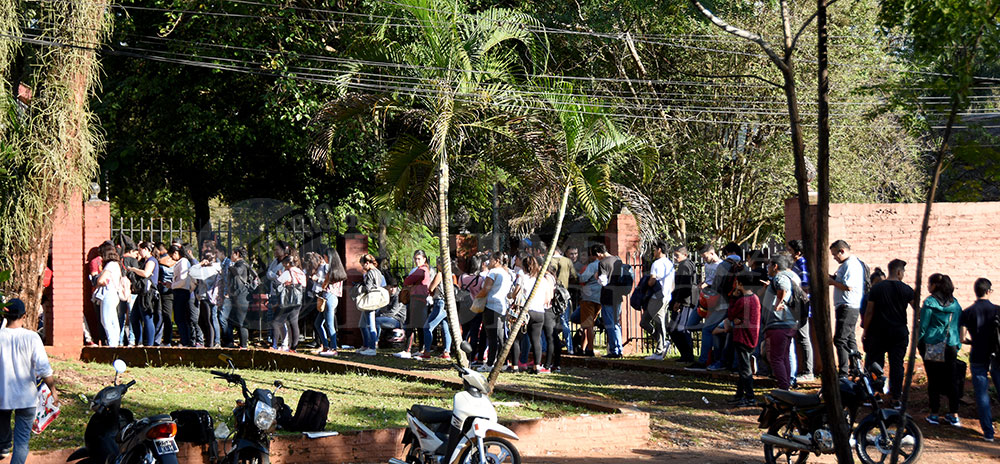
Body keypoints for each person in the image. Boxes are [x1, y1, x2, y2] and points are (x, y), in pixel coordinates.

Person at [0, 299, 58, 464]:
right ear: (24, 316)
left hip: (2, 397)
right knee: (22, 441)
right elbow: (43, 368)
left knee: (2, 443)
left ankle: (3, 449)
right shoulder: (32, 337)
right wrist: (53, 391)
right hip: (26, 399)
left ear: (5, 315)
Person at [862, 259, 914, 402]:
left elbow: (869, 312)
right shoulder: (907, 289)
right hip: (899, 333)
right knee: (897, 364)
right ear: (898, 272)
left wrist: (865, 331)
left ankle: (875, 394)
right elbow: (918, 310)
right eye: (902, 272)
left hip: (878, 333)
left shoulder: (876, 289)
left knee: (875, 363)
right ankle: (896, 397)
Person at [918, 273, 962, 427]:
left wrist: (919, 343)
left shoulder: (929, 303)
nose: (928, 286)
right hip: (950, 345)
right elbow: (957, 326)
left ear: (935, 285)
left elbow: (923, 326)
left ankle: (934, 414)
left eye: (929, 283)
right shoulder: (955, 304)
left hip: (932, 345)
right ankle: (954, 414)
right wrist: (958, 345)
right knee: (952, 380)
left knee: (934, 380)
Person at [959, 278, 1000, 441]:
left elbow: (962, 338)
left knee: (982, 394)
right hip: (998, 356)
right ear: (989, 291)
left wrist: (972, 341)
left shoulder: (967, 312)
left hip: (977, 355)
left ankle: (988, 433)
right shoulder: (998, 310)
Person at [760, 254, 800, 391]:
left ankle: (784, 388)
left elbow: (783, 288)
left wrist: (778, 303)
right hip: (788, 323)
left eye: (769, 264)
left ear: (775, 266)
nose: (767, 268)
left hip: (778, 323)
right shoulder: (792, 276)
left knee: (776, 358)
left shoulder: (780, 276)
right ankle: (786, 385)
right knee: (783, 357)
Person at [508, 256, 554, 373]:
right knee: (536, 340)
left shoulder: (522, 277)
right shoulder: (542, 280)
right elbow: (548, 298)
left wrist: (511, 296)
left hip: (525, 311)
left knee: (517, 339)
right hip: (539, 311)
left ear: (524, 266)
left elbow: (515, 293)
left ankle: (514, 366)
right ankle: (537, 367)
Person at [828, 240, 865, 377]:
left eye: (835, 254)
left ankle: (843, 372)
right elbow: (842, 282)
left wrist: (831, 282)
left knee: (840, 340)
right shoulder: (846, 264)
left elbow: (848, 286)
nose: (834, 257)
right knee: (849, 339)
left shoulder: (851, 264)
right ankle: (856, 368)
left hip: (848, 306)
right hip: (844, 306)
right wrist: (832, 278)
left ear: (842, 251)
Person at [726, 270, 760, 407]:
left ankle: (750, 397)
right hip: (752, 337)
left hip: (742, 337)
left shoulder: (742, 301)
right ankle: (740, 394)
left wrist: (733, 297)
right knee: (743, 367)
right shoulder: (755, 298)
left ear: (739, 283)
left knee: (745, 369)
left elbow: (731, 314)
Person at [474, 252, 513, 372]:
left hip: (491, 306)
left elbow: (486, 289)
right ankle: (504, 362)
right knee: (501, 337)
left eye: (490, 259)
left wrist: (477, 298)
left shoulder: (493, 272)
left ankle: (490, 363)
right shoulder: (507, 274)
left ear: (496, 260)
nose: (488, 262)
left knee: (491, 337)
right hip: (502, 307)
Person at [786, 239, 813, 382]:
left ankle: (808, 371)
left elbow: (805, 285)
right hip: (797, 305)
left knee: (803, 338)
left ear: (798, 252)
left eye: (790, 251)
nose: (789, 254)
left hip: (801, 305)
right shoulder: (796, 264)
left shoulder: (802, 264)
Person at [591, 243, 625, 358]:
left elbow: (603, 281)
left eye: (596, 256)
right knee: (616, 323)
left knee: (610, 324)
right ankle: (619, 348)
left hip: (607, 297)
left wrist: (597, 277)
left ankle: (615, 350)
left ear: (599, 253)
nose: (597, 258)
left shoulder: (603, 263)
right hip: (618, 296)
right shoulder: (617, 260)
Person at [643, 240, 674, 361]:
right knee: (658, 321)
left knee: (649, 322)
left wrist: (646, 284)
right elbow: (672, 284)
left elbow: (652, 281)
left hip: (657, 297)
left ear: (659, 250)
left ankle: (660, 348)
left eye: (655, 249)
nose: (653, 252)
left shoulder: (656, 264)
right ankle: (662, 344)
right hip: (666, 296)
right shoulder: (670, 263)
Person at [399, 250, 433, 358]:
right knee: (419, 326)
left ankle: (407, 350)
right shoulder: (425, 270)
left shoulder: (421, 270)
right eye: (415, 258)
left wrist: (410, 281)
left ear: (424, 259)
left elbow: (407, 281)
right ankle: (420, 349)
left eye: (419, 258)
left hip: (417, 300)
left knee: (411, 325)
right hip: (421, 300)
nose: (416, 261)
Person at [418, 260, 453, 360]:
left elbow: (431, 288)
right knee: (445, 328)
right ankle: (447, 352)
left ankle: (427, 352)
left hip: (439, 302)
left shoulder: (440, 274)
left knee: (427, 327)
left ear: (439, 265)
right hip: (447, 303)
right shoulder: (451, 275)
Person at [125, 242, 159, 347]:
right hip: (142, 292)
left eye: (140, 250)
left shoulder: (151, 260)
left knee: (147, 317)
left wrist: (134, 269)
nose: (139, 253)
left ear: (146, 249)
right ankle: (139, 341)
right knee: (134, 317)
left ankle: (149, 344)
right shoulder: (144, 261)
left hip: (148, 293)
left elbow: (146, 273)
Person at [315, 249, 347, 357]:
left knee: (328, 324)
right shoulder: (338, 270)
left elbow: (324, 285)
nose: (324, 259)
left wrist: (317, 280)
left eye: (325, 257)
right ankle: (327, 346)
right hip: (333, 297)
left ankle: (333, 347)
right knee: (320, 323)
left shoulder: (330, 270)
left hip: (328, 296)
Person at [669, 246, 698, 363]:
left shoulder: (684, 266)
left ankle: (688, 355)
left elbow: (685, 286)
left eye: (677, 255)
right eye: (674, 255)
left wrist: (678, 301)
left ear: (685, 255)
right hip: (686, 300)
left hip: (685, 301)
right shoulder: (688, 264)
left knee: (680, 328)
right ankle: (685, 355)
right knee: (674, 328)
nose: (675, 258)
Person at [94, 245, 126, 347]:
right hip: (114, 294)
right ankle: (115, 342)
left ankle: (112, 343)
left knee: (106, 320)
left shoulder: (110, 265)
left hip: (108, 294)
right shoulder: (116, 264)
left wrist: (100, 280)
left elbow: (100, 280)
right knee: (113, 319)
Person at [225, 247, 254, 349]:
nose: (231, 256)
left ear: (237, 254)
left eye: (232, 253)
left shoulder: (242, 264)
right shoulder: (239, 264)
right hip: (237, 297)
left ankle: (244, 346)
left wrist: (228, 266)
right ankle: (231, 343)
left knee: (241, 322)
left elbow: (237, 272)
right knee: (233, 321)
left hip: (242, 297)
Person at [577, 250, 602, 357]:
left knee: (588, 325)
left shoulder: (592, 266)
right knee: (589, 324)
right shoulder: (604, 265)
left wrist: (576, 273)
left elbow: (583, 278)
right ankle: (583, 348)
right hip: (599, 297)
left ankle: (590, 349)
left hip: (589, 297)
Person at [358, 253, 383, 356]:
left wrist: (359, 289)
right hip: (376, 300)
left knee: (370, 325)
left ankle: (371, 347)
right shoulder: (378, 272)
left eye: (363, 265)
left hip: (369, 301)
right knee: (362, 324)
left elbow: (368, 288)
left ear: (367, 263)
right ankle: (366, 345)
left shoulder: (370, 273)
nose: (362, 268)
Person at [155, 242, 175, 346]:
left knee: (161, 316)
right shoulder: (174, 261)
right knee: (167, 316)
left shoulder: (159, 262)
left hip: (162, 290)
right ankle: (167, 339)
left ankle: (163, 340)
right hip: (171, 291)